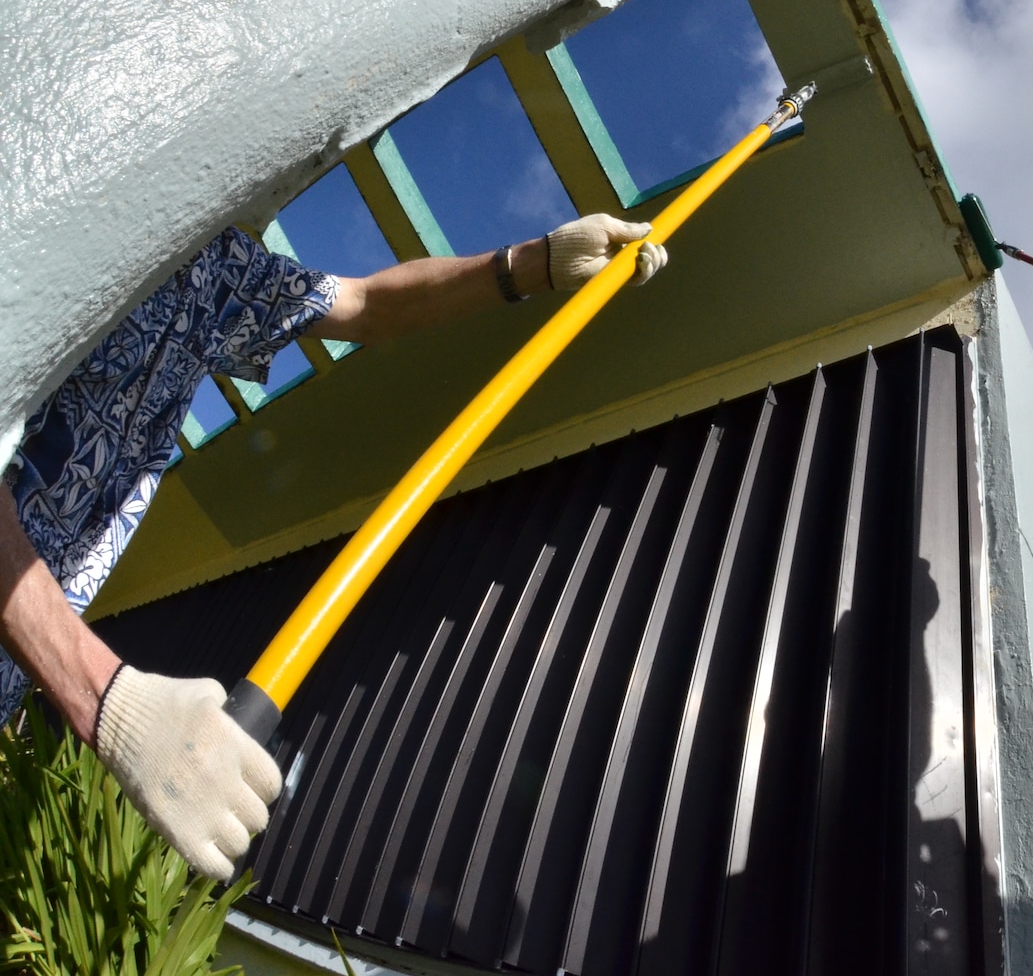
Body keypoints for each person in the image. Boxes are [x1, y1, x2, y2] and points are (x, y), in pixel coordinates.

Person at [0, 212, 665, 880]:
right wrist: (110, 700)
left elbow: (368, 303)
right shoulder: (81, 197)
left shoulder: (226, 268)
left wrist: (534, 262)